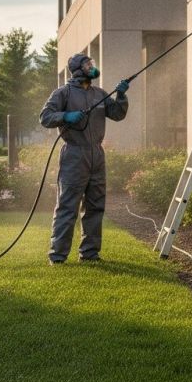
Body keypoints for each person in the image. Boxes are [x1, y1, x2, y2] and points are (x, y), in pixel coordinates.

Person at [39, 53, 129, 264]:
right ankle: (58, 256)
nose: (92, 66)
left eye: (92, 63)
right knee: (67, 206)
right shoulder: (63, 93)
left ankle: (89, 254)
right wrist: (65, 116)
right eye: (88, 64)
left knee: (95, 205)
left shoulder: (100, 94)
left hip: (97, 154)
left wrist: (122, 96)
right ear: (78, 69)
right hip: (74, 154)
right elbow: (45, 117)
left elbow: (117, 114)